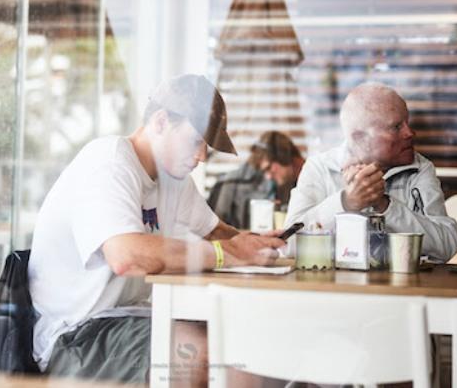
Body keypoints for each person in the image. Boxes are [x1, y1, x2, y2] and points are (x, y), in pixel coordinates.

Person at [28, 74, 286, 385]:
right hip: (75, 336)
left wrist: (255, 244)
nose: (202, 156)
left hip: (130, 318)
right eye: (196, 141)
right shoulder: (110, 164)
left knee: (240, 337)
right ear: (161, 122)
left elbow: (217, 232)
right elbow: (127, 257)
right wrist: (227, 254)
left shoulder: (172, 179)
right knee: (206, 353)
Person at [286, 82, 457, 262]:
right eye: (396, 127)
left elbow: (446, 245)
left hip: (400, 289)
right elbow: (288, 244)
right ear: (359, 137)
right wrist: (346, 202)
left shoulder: (420, 169)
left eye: (407, 122)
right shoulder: (319, 168)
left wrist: (384, 205)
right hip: (335, 288)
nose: (410, 133)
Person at [207, 131, 305, 228]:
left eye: (269, 168)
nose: (268, 177)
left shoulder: (312, 178)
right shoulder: (228, 185)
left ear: (283, 156)